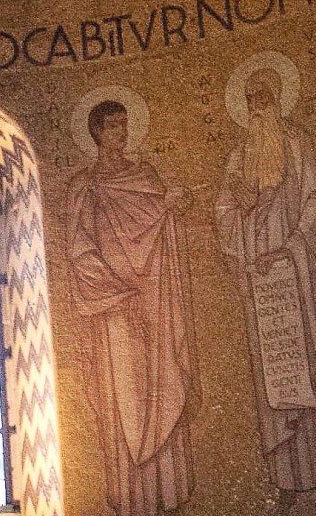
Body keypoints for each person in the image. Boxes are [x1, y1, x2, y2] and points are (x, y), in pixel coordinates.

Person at [214, 67, 316, 512]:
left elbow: (315, 202)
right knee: (274, 382)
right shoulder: (239, 159)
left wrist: (290, 249)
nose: (259, 109)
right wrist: (239, 215)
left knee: (311, 372)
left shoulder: (297, 145)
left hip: (299, 275)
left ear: (277, 101)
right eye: (252, 103)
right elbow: (225, 212)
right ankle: (287, 487)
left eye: (265, 99)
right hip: (262, 286)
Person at [62, 99, 197, 516]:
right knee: (126, 396)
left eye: (124, 125)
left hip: (155, 301)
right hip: (114, 310)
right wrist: (116, 288)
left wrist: (173, 208)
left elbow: (162, 230)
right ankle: (131, 500)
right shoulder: (85, 187)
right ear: (96, 133)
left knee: (162, 381)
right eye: (112, 126)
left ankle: (168, 496)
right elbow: (79, 252)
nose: (121, 133)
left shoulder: (145, 177)